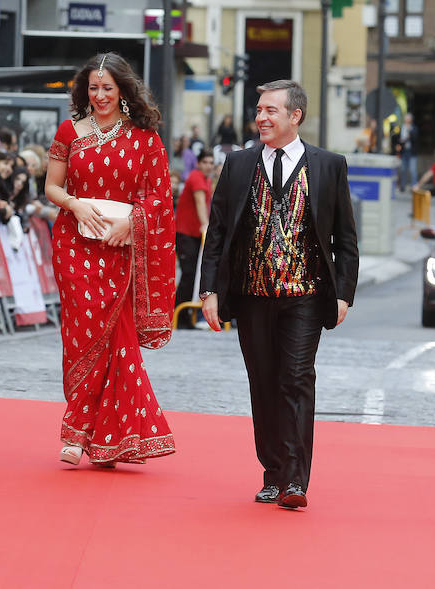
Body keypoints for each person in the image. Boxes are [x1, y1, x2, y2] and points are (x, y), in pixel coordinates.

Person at [200, 80, 359, 509]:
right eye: (259, 110)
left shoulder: (329, 166)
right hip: (252, 294)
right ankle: (272, 473)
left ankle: (295, 480)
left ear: (295, 116)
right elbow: (218, 232)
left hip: (305, 295)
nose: (261, 117)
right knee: (264, 382)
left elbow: (345, 237)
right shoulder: (238, 164)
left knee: (296, 379)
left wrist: (344, 293)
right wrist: (209, 290)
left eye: (271, 110)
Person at [44, 52, 177, 466]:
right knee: (81, 333)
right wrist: (75, 205)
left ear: (122, 91)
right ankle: (79, 430)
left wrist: (131, 223)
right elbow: (51, 187)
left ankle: (99, 437)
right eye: (93, 88)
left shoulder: (144, 138)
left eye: (107, 88)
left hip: (120, 248)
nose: (99, 95)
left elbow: (159, 196)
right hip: (74, 244)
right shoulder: (69, 131)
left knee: (116, 339)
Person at [173, 149, 215, 328]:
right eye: (205, 162)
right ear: (198, 163)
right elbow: (199, 202)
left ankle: (185, 315)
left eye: (211, 163)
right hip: (185, 233)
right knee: (188, 274)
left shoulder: (206, 180)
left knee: (193, 275)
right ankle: (179, 316)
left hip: (195, 234)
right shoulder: (196, 177)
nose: (208, 166)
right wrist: (206, 225)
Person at [392, 113, 418, 191]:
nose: (406, 120)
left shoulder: (414, 128)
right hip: (404, 151)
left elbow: (415, 137)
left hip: (412, 152)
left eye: (408, 118)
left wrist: (407, 136)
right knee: (403, 169)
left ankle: (414, 186)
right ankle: (402, 186)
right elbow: (397, 138)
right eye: (406, 118)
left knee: (413, 170)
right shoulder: (401, 128)